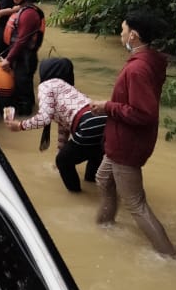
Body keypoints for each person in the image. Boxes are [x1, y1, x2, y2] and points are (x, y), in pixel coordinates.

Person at [90, 10, 176, 258]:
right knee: (102, 178)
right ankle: (104, 225)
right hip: (123, 137)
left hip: (127, 142)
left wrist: (107, 106)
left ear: (134, 35)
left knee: (136, 204)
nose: (120, 35)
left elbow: (143, 113)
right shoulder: (150, 59)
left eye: (122, 30)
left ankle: (172, 257)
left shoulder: (137, 69)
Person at [9, 59, 107, 193]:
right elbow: (64, 128)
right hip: (104, 120)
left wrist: (20, 125)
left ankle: (76, 195)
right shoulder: (66, 87)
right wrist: (62, 150)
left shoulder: (45, 85)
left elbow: (44, 118)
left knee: (63, 161)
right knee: (94, 153)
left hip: (87, 123)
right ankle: (93, 186)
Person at [0, 0, 45, 116]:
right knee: (21, 86)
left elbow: (22, 40)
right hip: (21, 55)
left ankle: (25, 115)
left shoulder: (29, 13)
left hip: (25, 57)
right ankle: (26, 111)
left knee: (23, 88)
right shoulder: (23, 9)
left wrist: (9, 59)